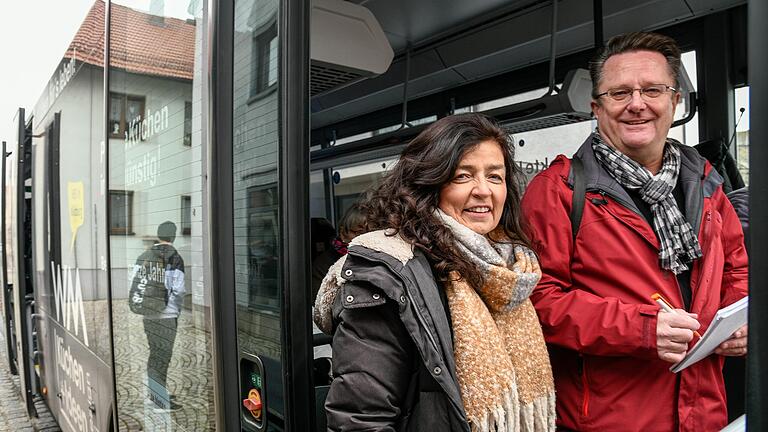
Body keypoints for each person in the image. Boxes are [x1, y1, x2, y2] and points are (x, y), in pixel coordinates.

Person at [521, 32, 748, 431]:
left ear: (676, 101)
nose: (637, 104)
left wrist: (743, 324)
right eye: (620, 93)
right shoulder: (558, 190)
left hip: (704, 413)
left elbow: (736, 273)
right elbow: (536, 302)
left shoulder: (706, 182)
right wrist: (640, 329)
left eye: (652, 90)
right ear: (597, 107)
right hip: (609, 419)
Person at [314, 113, 556, 431]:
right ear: (429, 184)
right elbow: (361, 420)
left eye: (495, 177)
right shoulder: (388, 273)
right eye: (462, 176)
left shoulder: (507, 271)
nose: (484, 190)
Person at [134, 220, 186, 411]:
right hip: (167, 316)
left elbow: (135, 282)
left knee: (155, 354)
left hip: (148, 315)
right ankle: (157, 400)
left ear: (158, 235)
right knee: (162, 357)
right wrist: (177, 309)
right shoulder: (175, 258)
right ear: (173, 236)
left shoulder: (144, 256)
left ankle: (156, 393)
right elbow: (179, 290)